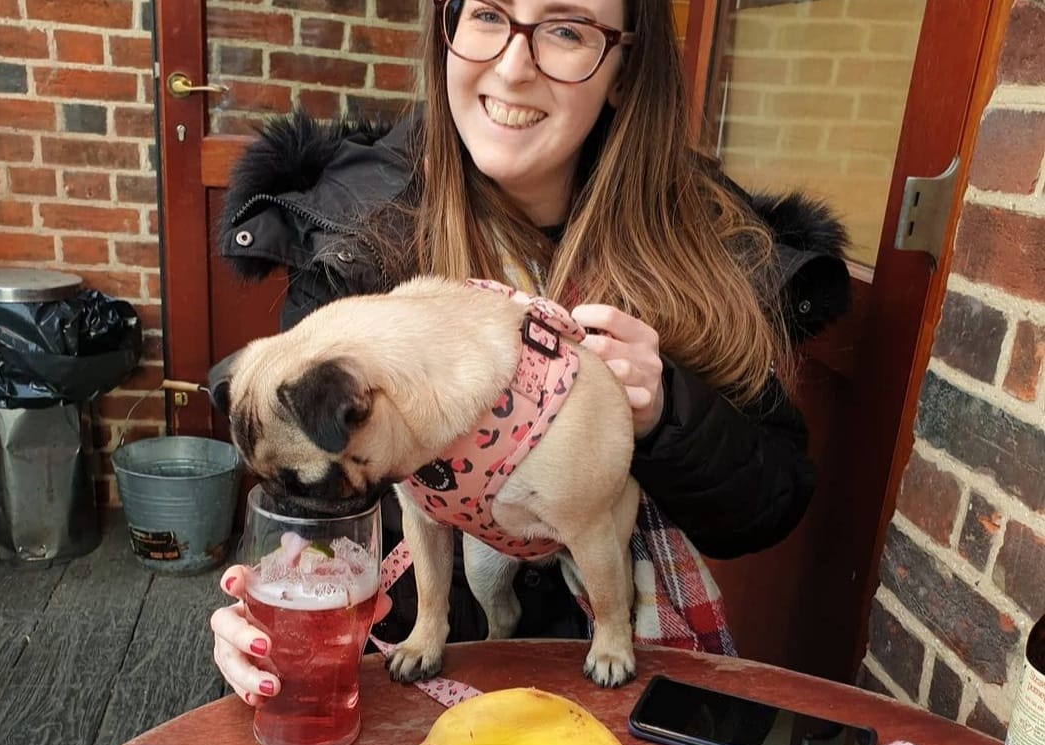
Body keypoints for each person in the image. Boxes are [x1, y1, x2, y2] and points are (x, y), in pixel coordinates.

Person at [210, 0, 850, 707]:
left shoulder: (708, 243)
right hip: (400, 678)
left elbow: (771, 501)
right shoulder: (350, 233)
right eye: (487, 14)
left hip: (630, 679)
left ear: (625, 68)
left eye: (566, 30)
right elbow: (313, 524)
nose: (513, 67)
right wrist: (261, 628)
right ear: (445, 31)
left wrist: (669, 413)